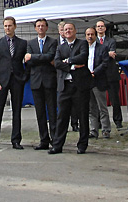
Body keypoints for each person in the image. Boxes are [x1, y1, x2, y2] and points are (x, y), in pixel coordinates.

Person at [50, 22, 92, 155]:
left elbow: (83, 57)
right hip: (65, 86)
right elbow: (56, 63)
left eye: (70, 29)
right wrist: (72, 66)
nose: (67, 31)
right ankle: (57, 145)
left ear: (75, 31)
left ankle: (82, 145)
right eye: (65, 29)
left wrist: (67, 61)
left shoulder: (82, 44)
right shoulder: (60, 47)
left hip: (79, 86)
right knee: (62, 117)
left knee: (82, 116)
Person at [0, 17, 27, 151]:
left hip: (16, 80)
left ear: (14, 26)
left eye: (10, 26)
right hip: (1, 81)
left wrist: (24, 77)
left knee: (17, 110)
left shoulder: (22, 43)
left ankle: (16, 140)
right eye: (5, 26)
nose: (7, 28)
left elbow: (26, 61)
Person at [24, 17, 58, 150]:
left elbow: (50, 56)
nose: (40, 28)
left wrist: (33, 57)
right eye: (38, 26)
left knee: (52, 111)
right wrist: (38, 58)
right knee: (40, 112)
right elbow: (29, 62)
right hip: (36, 82)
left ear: (46, 28)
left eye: (43, 26)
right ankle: (44, 139)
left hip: (49, 80)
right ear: (35, 28)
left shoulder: (53, 42)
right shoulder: (30, 43)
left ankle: (55, 139)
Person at [95, 20, 123, 130]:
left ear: (105, 28)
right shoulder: (93, 41)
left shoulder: (111, 41)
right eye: (98, 26)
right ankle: (99, 122)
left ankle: (118, 121)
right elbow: (96, 54)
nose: (100, 28)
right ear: (96, 28)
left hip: (111, 74)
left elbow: (112, 54)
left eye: (102, 26)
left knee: (115, 99)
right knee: (99, 102)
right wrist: (106, 53)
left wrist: (100, 54)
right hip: (98, 74)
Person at [84, 27, 111, 140]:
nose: (90, 36)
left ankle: (105, 129)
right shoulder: (83, 48)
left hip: (98, 80)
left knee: (102, 107)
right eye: (88, 34)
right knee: (91, 108)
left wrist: (94, 72)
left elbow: (105, 63)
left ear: (95, 36)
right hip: (87, 81)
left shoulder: (102, 48)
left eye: (92, 34)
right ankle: (93, 130)